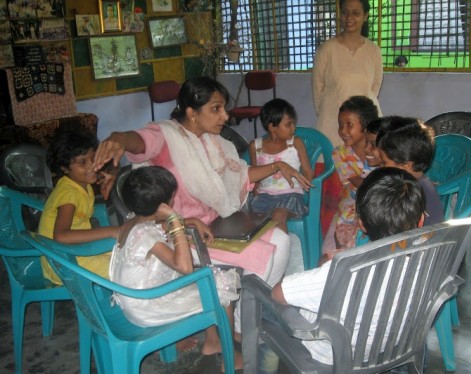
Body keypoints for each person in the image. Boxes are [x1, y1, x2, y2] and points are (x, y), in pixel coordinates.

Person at [94, 76, 313, 336]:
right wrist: (118, 138)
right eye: (216, 108)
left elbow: (241, 175)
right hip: (184, 233)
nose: (225, 116)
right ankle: (240, 326)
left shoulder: (215, 142)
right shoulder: (165, 136)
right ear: (192, 113)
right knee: (263, 258)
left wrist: (277, 165)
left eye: (223, 108)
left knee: (282, 241)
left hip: (219, 222)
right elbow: (137, 140)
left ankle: (245, 315)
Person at [271, 167, 426, 367]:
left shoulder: (345, 269)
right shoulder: (429, 259)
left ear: (361, 224)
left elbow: (278, 293)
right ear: (421, 220)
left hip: (331, 355)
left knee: (264, 301)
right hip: (393, 346)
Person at [109, 166, 241, 368]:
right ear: (163, 205)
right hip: (148, 306)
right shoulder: (146, 234)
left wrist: (191, 221)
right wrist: (174, 218)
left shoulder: (132, 221)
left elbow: (157, 228)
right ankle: (229, 355)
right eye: (172, 197)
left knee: (207, 278)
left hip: (132, 299)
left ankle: (214, 341)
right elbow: (185, 267)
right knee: (222, 283)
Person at [312, 0, 384, 236]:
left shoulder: (373, 50)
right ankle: (330, 241)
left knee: (370, 184)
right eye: (345, 13)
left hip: (366, 130)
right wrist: (339, 122)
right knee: (334, 194)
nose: (349, 18)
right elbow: (318, 91)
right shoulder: (327, 50)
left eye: (355, 13)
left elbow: (374, 87)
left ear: (365, 16)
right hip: (333, 127)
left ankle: (365, 235)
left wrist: (364, 125)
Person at [39, 127, 119, 285]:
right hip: (63, 263)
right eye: (83, 162)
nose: (91, 166)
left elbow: (115, 164)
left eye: (94, 158)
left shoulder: (80, 183)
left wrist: (111, 174)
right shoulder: (68, 193)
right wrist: (112, 231)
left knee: (125, 254)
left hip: (74, 252)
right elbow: (61, 236)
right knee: (124, 268)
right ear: (65, 168)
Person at [320, 96, 378, 263]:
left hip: (375, 209)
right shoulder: (339, 153)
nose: (343, 131)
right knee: (330, 255)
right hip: (349, 209)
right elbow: (357, 183)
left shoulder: (380, 149)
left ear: (365, 125)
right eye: (340, 125)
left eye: (349, 125)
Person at [248, 98, 313, 233]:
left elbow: (308, 171)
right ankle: (264, 251)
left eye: (293, 124)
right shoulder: (256, 146)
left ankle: (280, 250)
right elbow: (255, 175)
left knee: (278, 216)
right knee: (254, 222)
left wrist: (304, 186)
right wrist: (255, 192)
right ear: (272, 126)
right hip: (264, 196)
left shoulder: (295, 143)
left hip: (290, 194)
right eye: (288, 124)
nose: (293, 128)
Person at [376, 116, 444, 226]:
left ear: (406, 165)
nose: (380, 166)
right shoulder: (420, 183)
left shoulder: (408, 193)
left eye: (384, 162)